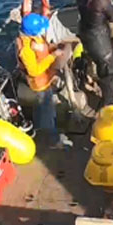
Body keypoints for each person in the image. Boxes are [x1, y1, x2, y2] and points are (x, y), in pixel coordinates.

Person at [16, 13, 69, 147]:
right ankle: (54, 141)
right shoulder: (26, 51)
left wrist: (53, 47)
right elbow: (34, 71)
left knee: (40, 109)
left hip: (45, 80)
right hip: (40, 85)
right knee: (48, 113)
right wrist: (52, 56)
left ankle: (39, 128)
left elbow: (42, 51)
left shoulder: (31, 39)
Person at [77, 0, 113, 107]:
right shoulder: (102, 1)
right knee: (109, 71)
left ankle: (87, 77)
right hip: (99, 39)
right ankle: (108, 103)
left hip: (85, 34)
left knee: (94, 60)